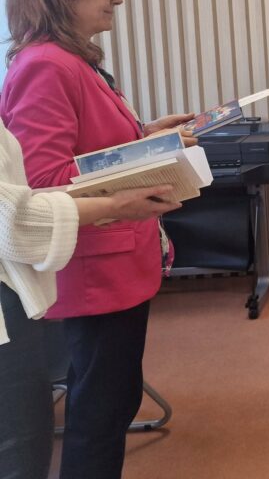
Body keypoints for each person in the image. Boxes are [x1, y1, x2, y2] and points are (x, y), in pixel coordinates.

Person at [0, 0, 197, 479]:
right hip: (92, 273)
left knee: (111, 401)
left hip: (114, 266)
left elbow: (86, 152)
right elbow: (44, 182)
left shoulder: (71, 61)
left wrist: (147, 136)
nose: (118, 0)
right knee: (100, 413)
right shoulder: (45, 66)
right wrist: (132, 177)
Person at [0, 117, 179, 479]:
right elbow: (18, 212)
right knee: (29, 448)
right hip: (72, 279)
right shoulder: (44, 76)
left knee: (108, 402)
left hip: (39, 287)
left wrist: (141, 139)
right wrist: (114, 204)